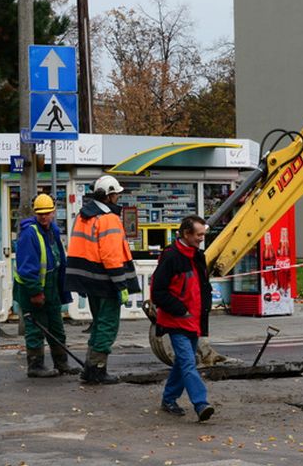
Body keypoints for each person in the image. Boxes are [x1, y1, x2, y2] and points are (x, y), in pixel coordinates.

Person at [65, 174, 137, 385]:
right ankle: (97, 369)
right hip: (106, 281)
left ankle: (90, 367)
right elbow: (111, 255)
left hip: (89, 279)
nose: (117, 198)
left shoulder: (83, 215)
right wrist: (121, 284)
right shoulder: (109, 219)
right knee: (107, 325)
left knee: (99, 323)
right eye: (115, 194)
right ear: (108, 196)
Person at [150, 215, 215, 421]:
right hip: (177, 320)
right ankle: (201, 403)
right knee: (188, 363)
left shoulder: (197, 255)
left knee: (182, 363)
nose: (201, 238)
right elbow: (158, 292)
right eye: (199, 235)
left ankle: (169, 399)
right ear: (186, 234)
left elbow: (201, 286)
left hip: (192, 319)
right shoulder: (171, 257)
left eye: (203, 234)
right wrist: (180, 310)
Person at [13, 193, 78, 378]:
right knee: (36, 327)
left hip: (51, 287)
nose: (44, 216)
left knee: (56, 326)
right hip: (33, 288)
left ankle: (61, 363)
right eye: (40, 213)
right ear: (35, 213)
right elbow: (26, 268)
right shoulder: (29, 234)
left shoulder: (52, 231)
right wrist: (35, 292)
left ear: (53, 212)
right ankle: (35, 365)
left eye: (47, 212)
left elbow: (58, 258)